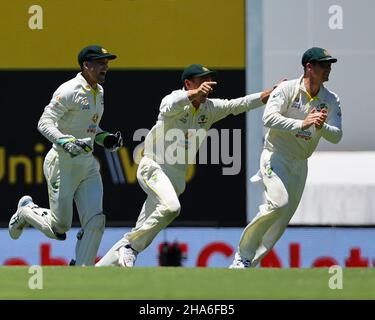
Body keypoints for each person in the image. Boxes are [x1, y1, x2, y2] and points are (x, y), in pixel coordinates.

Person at [96, 63, 277, 267]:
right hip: (153, 167)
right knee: (172, 207)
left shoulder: (210, 109)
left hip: (176, 179)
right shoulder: (174, 101)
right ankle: (130, 248)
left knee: (139, 232)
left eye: (210, 80)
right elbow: (167, 105)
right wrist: (193, 94)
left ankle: (97, 271)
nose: (208, 84)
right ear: (188, 83)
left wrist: (270, 94)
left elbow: (240, 104)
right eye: (202, 81)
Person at [8, 45, 123, 266]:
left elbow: (90, 129)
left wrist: (104, 138)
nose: (105, 67)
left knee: (96, 221)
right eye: (101, 63)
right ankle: (25, 211)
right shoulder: (69, 90)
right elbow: (44, 122)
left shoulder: (99, 91)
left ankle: (81, 272)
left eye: (107, 63)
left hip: (87, 165)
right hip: (62, 163)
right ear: (86, 66)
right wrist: (65, 141)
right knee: (59, 228)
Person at [230, 47, 343, 268]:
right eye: (323, 65)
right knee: (278, 203)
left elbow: (337, 136)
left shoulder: (331, 99)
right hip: (275, 155)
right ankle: (241, 257)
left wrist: (321, 127)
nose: (328, 69)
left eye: (330, 65)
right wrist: (302, 123)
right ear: (309, 67)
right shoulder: (287, 89)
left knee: (281, 221)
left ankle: (249, 263)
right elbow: (268, 118)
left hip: (300, 163)